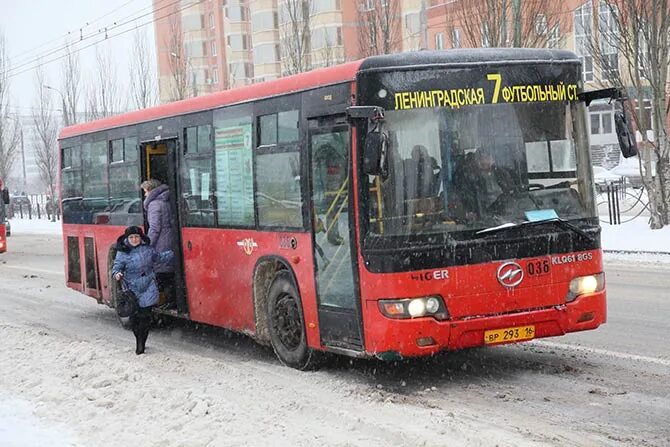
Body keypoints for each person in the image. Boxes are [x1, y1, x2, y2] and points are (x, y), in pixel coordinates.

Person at [112, 226, 173, 354]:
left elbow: (158, 258)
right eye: (132, 237)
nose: (134, 239)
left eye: (137, 237)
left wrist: (173, 253)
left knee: (145, 316)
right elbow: (116, 267)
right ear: (127, 239)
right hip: (132, 288)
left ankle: (141, 344)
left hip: (148, 286)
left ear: (141, 238)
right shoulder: (122, 252)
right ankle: (138, 338)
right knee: (134, 318)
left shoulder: (148, 249)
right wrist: (117, 274)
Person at [141, 179, 177, 309]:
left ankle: (167, 300)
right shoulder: (168, 199)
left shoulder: (154, 204)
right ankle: (171, 299)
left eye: (145, 192)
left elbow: (155, 228)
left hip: (161, 242)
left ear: (150, 190)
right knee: (169, 271)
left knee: (161, 272)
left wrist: (148, 244)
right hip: (171, 239)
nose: (145, 195)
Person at [460, 148, 515, 219]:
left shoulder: (502, 174)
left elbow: (512, 192)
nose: (484, 161)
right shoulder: (469, 177)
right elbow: (467, 197)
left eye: (487, 157)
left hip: (504, 211)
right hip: (482, 214)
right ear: (476, 161)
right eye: (481, 158)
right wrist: (470, 212)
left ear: (493, 159)